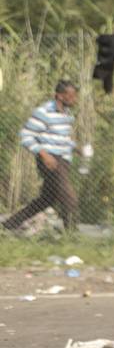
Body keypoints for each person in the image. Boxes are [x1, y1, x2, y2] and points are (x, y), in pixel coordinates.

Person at [4, 80, 79, 234]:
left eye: (75, 95)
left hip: (63, 160)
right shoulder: (43, 112)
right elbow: (26, 135)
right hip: (50, 160)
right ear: (59, 96)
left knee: (46, 199)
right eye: (70, 96)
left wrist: (77, 148)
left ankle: (9, 224)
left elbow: (62, 139)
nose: (74, 99)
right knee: (68, 196)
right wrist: (44, 154)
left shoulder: (67, 114)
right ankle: (71, 234)